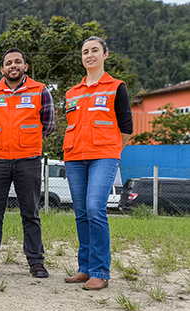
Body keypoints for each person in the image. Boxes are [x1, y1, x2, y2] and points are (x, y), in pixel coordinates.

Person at [0, 48, 56, 278]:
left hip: (28, 160)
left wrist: (27, 140)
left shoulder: (40, 91)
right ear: (2, 69)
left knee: (30, 213)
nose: (13, 65)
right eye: (9, 63)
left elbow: (49, 125)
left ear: (25, 66)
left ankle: (36, 261)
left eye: (18, 62)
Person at [63, 37, 132, 290]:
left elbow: (126, 128)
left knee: (95, 208)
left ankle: (100, 271)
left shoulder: (116, 87)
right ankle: (85, 268)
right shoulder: (72, 92)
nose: (89, 55)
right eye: (85, 51)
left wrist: (112, 151)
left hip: (104, 157)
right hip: (74, 157)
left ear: (105, 54)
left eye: (95, 50)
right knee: (81, 213)